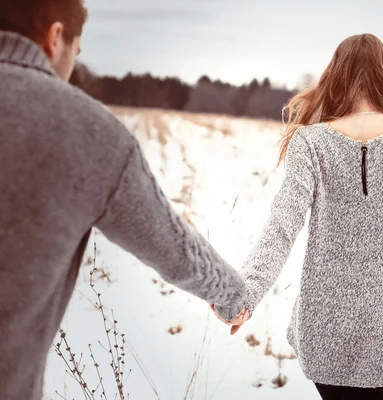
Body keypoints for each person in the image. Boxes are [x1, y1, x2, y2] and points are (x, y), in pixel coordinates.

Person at [0, 1, 248, 399]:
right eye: (74, 54)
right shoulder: (90, 132)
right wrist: (233, 296)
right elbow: (174, 248)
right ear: (55, 36)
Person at [212, 33, 383, 400]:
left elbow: (281, 227)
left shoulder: (309, 142)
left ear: (335, 77)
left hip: (322, 335)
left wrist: (245, 294)